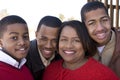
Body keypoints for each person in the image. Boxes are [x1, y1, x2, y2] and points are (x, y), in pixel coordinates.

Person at [42, 20, 119, 80]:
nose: (69, 46)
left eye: (76, 40)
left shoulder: (103, 75)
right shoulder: (50, 70)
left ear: (85, 44)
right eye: (64, 39)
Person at [80, 1, 120, 77]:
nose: (100, 28)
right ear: (84, 26)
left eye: (104, 20)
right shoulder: (80, 47)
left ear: (110, 19)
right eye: (92, 23)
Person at [26, 15, 62, 80]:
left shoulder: (63, 56)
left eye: (55, 40)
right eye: (44, 39)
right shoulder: (23, 57)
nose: (49, 46)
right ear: (36, 35)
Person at [0, 15, 34, 80]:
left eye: (25, 36)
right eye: (14, 38)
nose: (22, 42)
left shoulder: (23, 67)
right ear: (1, 42)